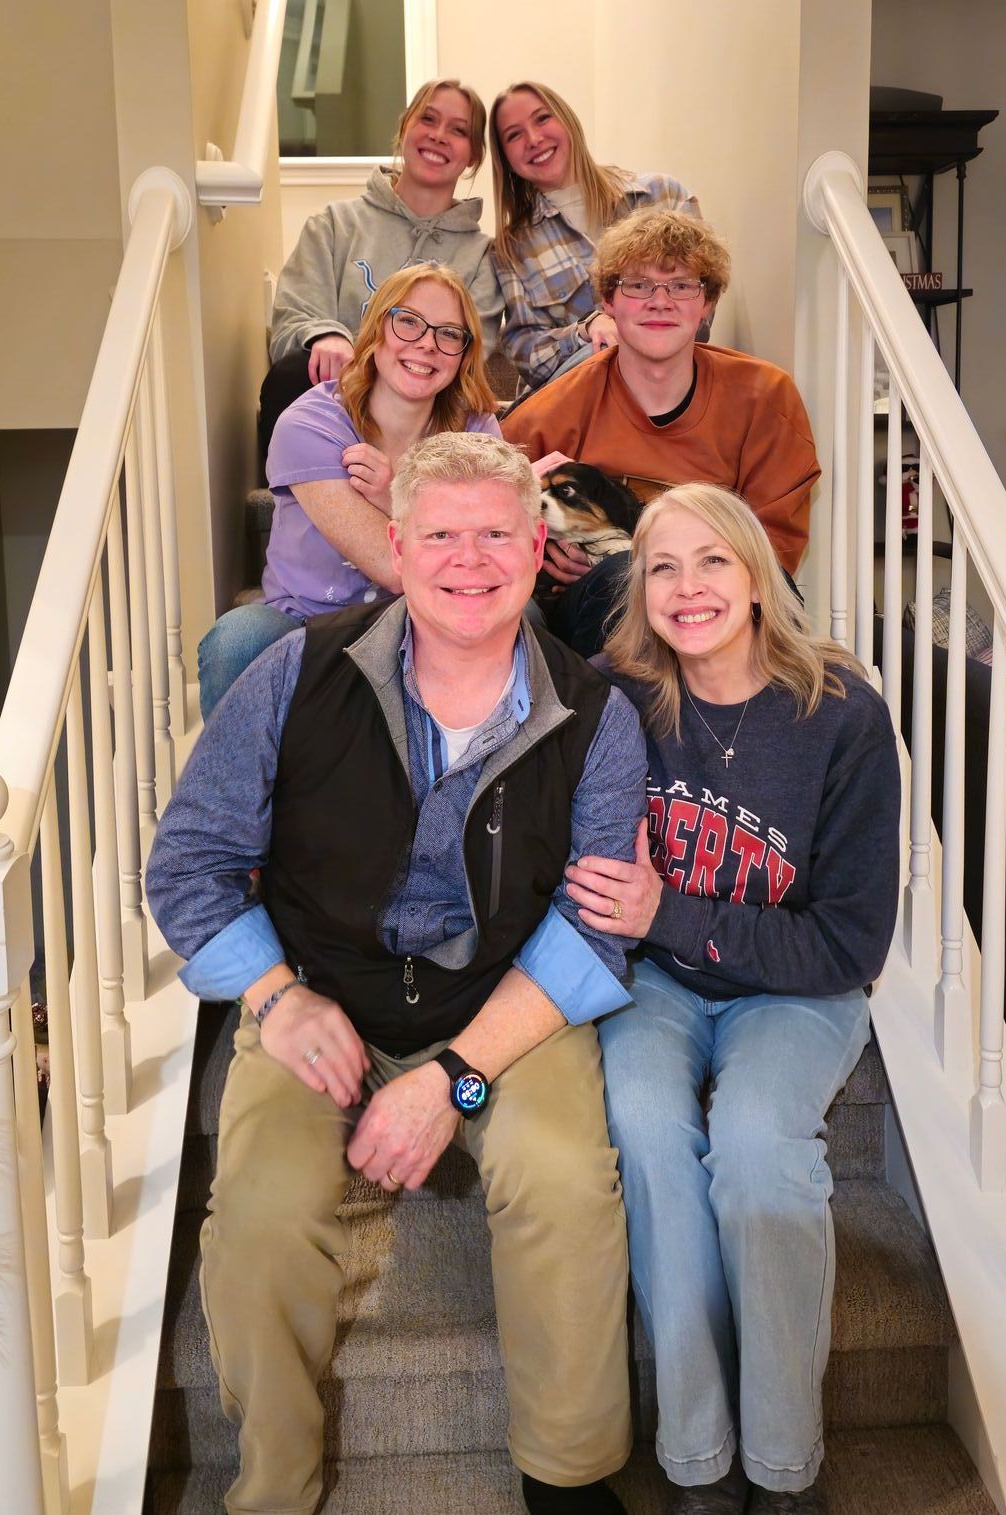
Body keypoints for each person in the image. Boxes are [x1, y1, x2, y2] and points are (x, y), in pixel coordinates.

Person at [147, 432, 651, 1515]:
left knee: (564, 1180)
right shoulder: (294, 671)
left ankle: (568, 1478)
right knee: (267, 1210)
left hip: (508, 1005)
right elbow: (186, 863)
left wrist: (456, 1080)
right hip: (318, 996)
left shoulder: (599, 714)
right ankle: (275, 1488)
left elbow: (594, 929)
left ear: (535, 546)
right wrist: (276, 1000)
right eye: (441, 535)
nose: (469, 560)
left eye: (494, 535)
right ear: (396, 545)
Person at [563, 483, 901, 1514]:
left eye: (713, 560)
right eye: (662, 567)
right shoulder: (613, 697)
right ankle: (699, 1462)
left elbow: (848, 939)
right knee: (651, 1139)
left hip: (796, 990)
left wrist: (668, 910)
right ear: (640, 592)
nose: (689, 585)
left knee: (758, 1157)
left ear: (757, 575)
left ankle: (785, 1466)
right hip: (657, 987)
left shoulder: (840, 712)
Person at [501, 208, 821, 655]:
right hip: (597, 607)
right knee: (619, 583)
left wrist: (673, 572)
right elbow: (491, 518)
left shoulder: (765, 398)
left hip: (723, 595)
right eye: (638, 285)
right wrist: (543, 558)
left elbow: (773, 546)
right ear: (607, 302)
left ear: (707, 302)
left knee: (777, 595)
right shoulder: (551, 413)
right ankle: (616, 724)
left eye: (682, 285)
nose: (660, 301)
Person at [199, 263, 500, 717]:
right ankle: (239, 788)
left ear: (464, 354)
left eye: (449, 334)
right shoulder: (310, 422)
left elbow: (483, 560)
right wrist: (433, 516)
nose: (426, 344)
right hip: (303, 623)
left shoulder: (476, 431)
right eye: (409, 322)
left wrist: (396, 494)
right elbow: (395, 567)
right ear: (378, 328)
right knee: (238, 639)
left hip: (424, 625)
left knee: (523, 622)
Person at [261, 78, 503, 451]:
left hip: (421, 408)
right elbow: (293, 317)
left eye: (458, 130)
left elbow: (469, 354)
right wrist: (328, 336)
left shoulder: (482, 256)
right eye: (428, 119)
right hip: (336, 401)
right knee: (291, 372)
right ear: (405, 127)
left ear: (473, 155)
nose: (439, 135)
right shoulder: (334, 224)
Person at [489, 81, 700, 391]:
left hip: (671, 394)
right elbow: (526, 354)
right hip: (574, 406)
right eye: (514, 135)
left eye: (542, 118)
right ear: (505, 157)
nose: (533, 139)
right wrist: (585, 330)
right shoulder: (511, 249)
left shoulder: (663, 195)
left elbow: (701, 309)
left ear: (568, 120)